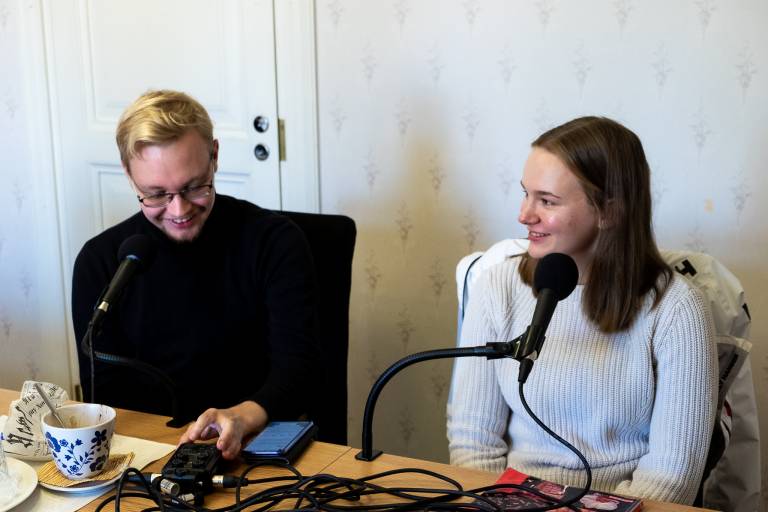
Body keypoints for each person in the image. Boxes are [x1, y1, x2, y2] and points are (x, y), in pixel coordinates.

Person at [447, 116, 717, 504]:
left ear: (609, 211)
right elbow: (472, 444)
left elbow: (671, 480)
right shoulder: (497, 286)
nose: (524, 215)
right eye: (526, 194)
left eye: (547, 201)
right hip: (510, 502)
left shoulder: (677, 310)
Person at [72, 90, 318, 459]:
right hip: (149, 452)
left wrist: (241, 417)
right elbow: (105, 395)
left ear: (214, 156)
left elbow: (298, 371)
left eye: (193, 187)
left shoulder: (274, 242)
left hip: (255, 444)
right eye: (156, 194)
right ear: (128, 172)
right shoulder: (101, 262)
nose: (179, 210)